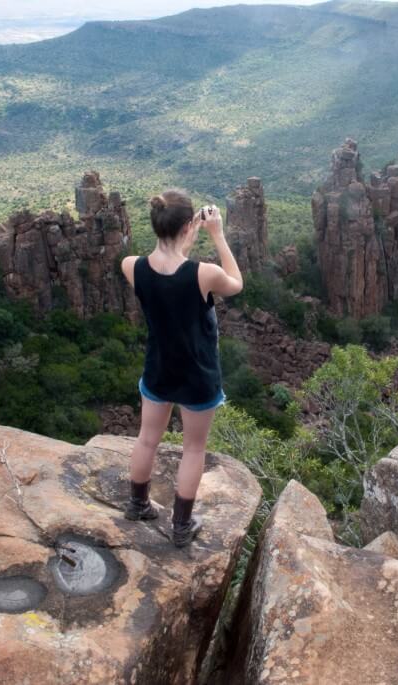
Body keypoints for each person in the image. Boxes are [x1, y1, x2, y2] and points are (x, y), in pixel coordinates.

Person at [120, 189, 243, 547]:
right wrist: (217, 233)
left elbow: (167, 271)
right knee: (193, 449)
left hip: (159, 368)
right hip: (197, 374)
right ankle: (181, 527)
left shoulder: (132, 266)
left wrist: (184, 239)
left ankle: (137, 504)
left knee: (147, 438)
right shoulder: (204, 274)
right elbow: (236, 283)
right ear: (190, 224)